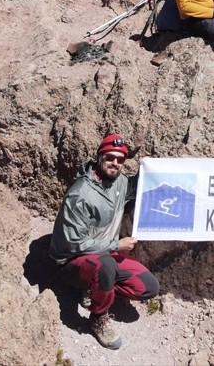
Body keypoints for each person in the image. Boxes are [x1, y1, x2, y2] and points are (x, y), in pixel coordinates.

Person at [49, 134, 160, 350]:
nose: (115, 164)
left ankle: (98, 289)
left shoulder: (119, 182)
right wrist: (115, 246)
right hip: (72, 262)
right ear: (100, 156)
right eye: (110, 157)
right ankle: (97, 318)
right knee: (105, 267)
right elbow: (74, 243)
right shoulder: (80, 194)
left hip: (104, 257)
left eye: (120, 160)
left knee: (148, 287)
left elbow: (139, 186)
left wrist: (152, 168)